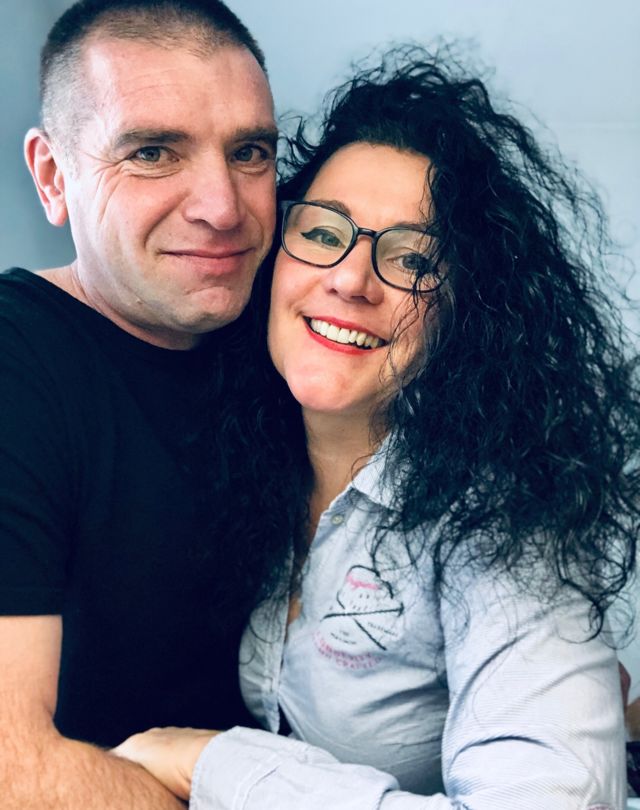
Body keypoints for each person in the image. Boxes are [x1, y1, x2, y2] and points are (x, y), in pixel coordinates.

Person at [114, 47, 640, 808]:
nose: (351, 280)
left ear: (464, 311)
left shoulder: (504, 522)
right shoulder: (249, 460)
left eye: (414, 261)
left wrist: (211, 765)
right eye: (324, 233)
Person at [0, 0, 277, 807]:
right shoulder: (17, 363)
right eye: (153, 152)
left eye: (249, 152)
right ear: (53, 176)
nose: (222, 208)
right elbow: (10, 771)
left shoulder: (299, 335)